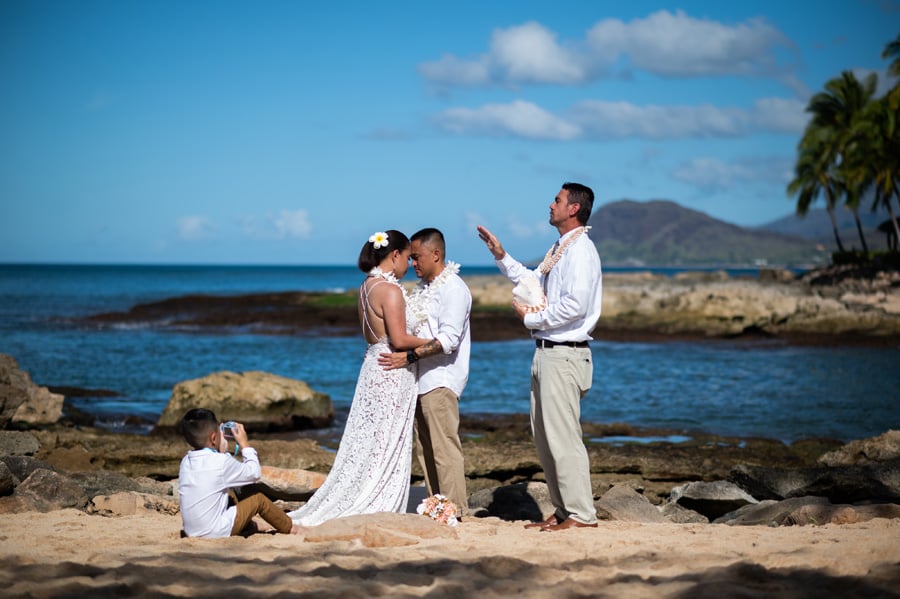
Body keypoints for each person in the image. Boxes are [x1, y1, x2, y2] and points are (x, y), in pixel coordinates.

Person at [477, 182, 602, 532]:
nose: (551, 204)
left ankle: (581, 515)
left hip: (564, 355)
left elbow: (575, 306)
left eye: (558, 200)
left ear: (574, 209)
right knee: (546, 438)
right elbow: (534, 281)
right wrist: (501, 256)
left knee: (563, 438)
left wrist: (531, 319)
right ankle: (564, 511)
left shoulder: (581, 251)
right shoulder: (562, 248)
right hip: (548, 353)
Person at [288, 230, 429, 526]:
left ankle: (360, 489)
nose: (408, 264)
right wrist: (437, 340)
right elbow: (400, 339)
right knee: (385, 440)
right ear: (394, 255)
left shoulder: (366, 286)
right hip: (392, 370)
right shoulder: (389, 291)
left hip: (373, 367)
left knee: (369, 439)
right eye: (406, 257)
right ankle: (375, 497)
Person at [378, 228, 471, 514]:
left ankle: (456, 511)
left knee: (444, 450)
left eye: (417, 257)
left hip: (441, 379)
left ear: (436, 255)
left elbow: (448, 341)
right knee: (426, 451)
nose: (413, 263)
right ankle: (438, 508)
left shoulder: (453, 289)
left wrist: (409, 356)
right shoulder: (425, 289)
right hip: (420, 380)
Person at [178, 408, 304, 538]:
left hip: (191, 531)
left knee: (229, 493)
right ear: (214, 437)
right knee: (258, 499)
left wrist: (220, 451)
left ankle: (248, 525)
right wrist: (244, 443)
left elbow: (214, 476)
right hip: (214, 532)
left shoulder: (185, 461)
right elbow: (255, 473)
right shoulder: (221, 462)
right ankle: (291, 528)